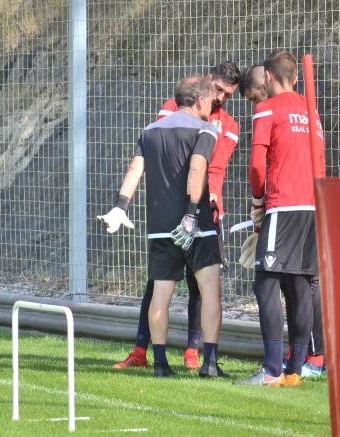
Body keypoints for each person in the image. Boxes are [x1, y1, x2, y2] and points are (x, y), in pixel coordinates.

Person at [113, 62, 240, 370]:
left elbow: (136, 169)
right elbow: (197, 169)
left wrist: (120, 205)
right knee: (208, 289)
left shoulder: (150, 129)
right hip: (194, 219)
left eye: (226, 95)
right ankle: (207, 361)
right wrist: (192, 214)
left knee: (162, 290)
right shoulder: (204, 127)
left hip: (161, 223)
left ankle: (163, 361)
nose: (218, 100)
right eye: (215, 94)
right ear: (201, 97)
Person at [234, 51, 324, 387]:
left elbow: (257, 165)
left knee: (265, 284)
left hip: (283, 205)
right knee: (301, 287)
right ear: (297, 78)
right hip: (315, 206)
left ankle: (272, 370)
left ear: (268, 78)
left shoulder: (266, 109)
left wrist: (258, 203)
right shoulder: (312, 112)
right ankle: (295, 372)